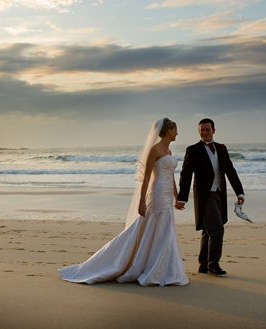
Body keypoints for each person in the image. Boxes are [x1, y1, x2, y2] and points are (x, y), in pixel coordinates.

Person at [58, 118, 189, 286]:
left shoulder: (169, 152)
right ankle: (144, 267)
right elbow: (147, 177)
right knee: (151, 227)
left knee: (164, 229)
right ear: (169, 130)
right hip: (156, 194)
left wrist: (177, 197)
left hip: (167, 194)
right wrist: (142, 201)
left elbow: (171, 177)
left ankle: (163, 268)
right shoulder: (154, 150)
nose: (177, 133)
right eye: (175, 130)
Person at [176, 118, 245, 276]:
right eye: (202, 130)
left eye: (207, 130)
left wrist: (239, 193)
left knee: (208, 230)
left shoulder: (221, 148)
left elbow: (230, 171)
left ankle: (203, 265)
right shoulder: (193, 150)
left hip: (219, 193)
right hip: (204, 195)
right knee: (217, 230)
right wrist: (182, 198)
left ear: (213, 130)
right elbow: (185, 175)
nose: (205, 133)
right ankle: (213, 265)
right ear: (199, 132)